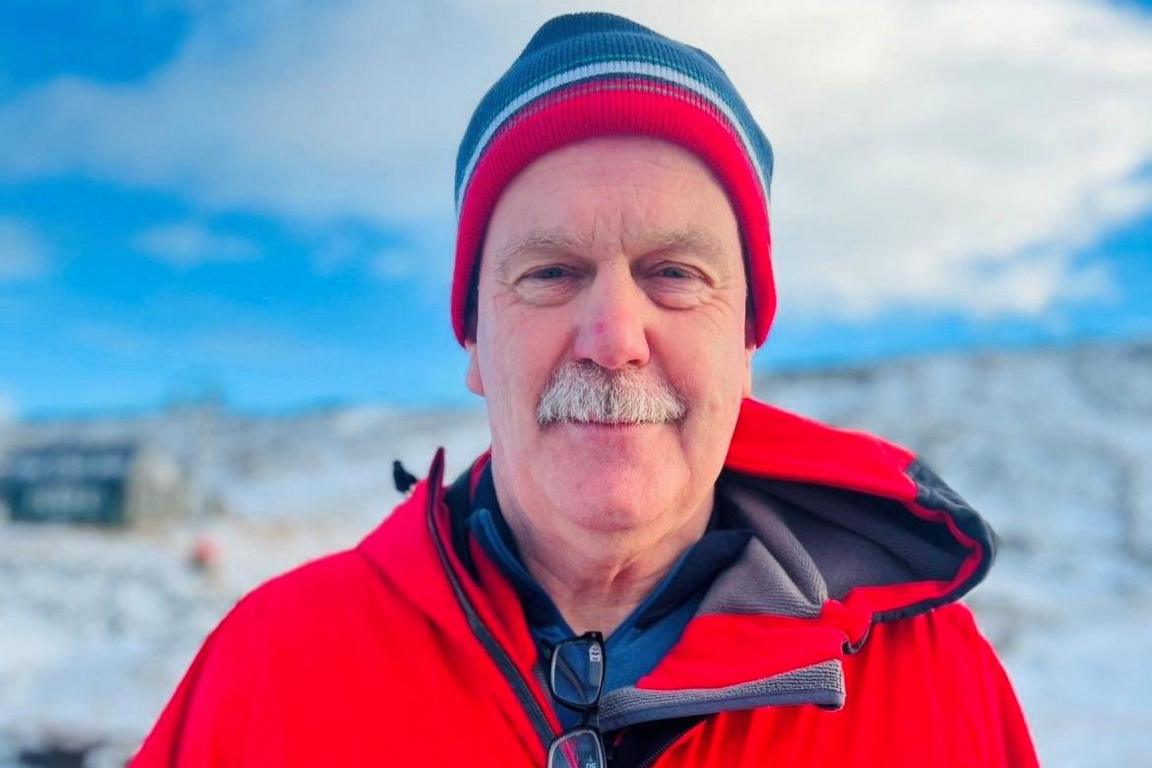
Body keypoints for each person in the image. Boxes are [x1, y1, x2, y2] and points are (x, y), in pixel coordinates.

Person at [133, 12, 1038, 767]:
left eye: (675, 273)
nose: (613, 340)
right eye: (552, 273)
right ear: (476, 341)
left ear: (747, 338)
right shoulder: (271, 668)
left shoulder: (935, 682)